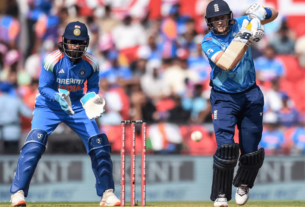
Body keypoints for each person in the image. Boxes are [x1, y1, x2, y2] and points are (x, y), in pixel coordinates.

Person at [10, 22, 120, 207]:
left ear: (86, 43)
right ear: (64, 42)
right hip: (49, 105)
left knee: (98, 144)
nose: (76, 46)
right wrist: (57, 96)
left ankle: (107, 194)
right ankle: (17, 193)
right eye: (72, 42)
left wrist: (91, 98)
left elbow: (92, 86)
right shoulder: (52, 60)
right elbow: (43, 87)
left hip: (76, 106)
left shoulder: (92, 63)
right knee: (35, 142)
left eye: (80, 42)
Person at [201, 1, 278, 206]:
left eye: (222, 17)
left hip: (251, 94)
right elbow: (226, 63)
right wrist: (246, 38)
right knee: (226, 148)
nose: (220, 22)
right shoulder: (207, 41)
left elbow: (274, 14)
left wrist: (258, 14)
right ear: (209, 22)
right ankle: (221, 194)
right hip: (224, 98)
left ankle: (243, 185)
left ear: (230, 16)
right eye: (215, 19)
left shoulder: (242, 22)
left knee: (251, 150)